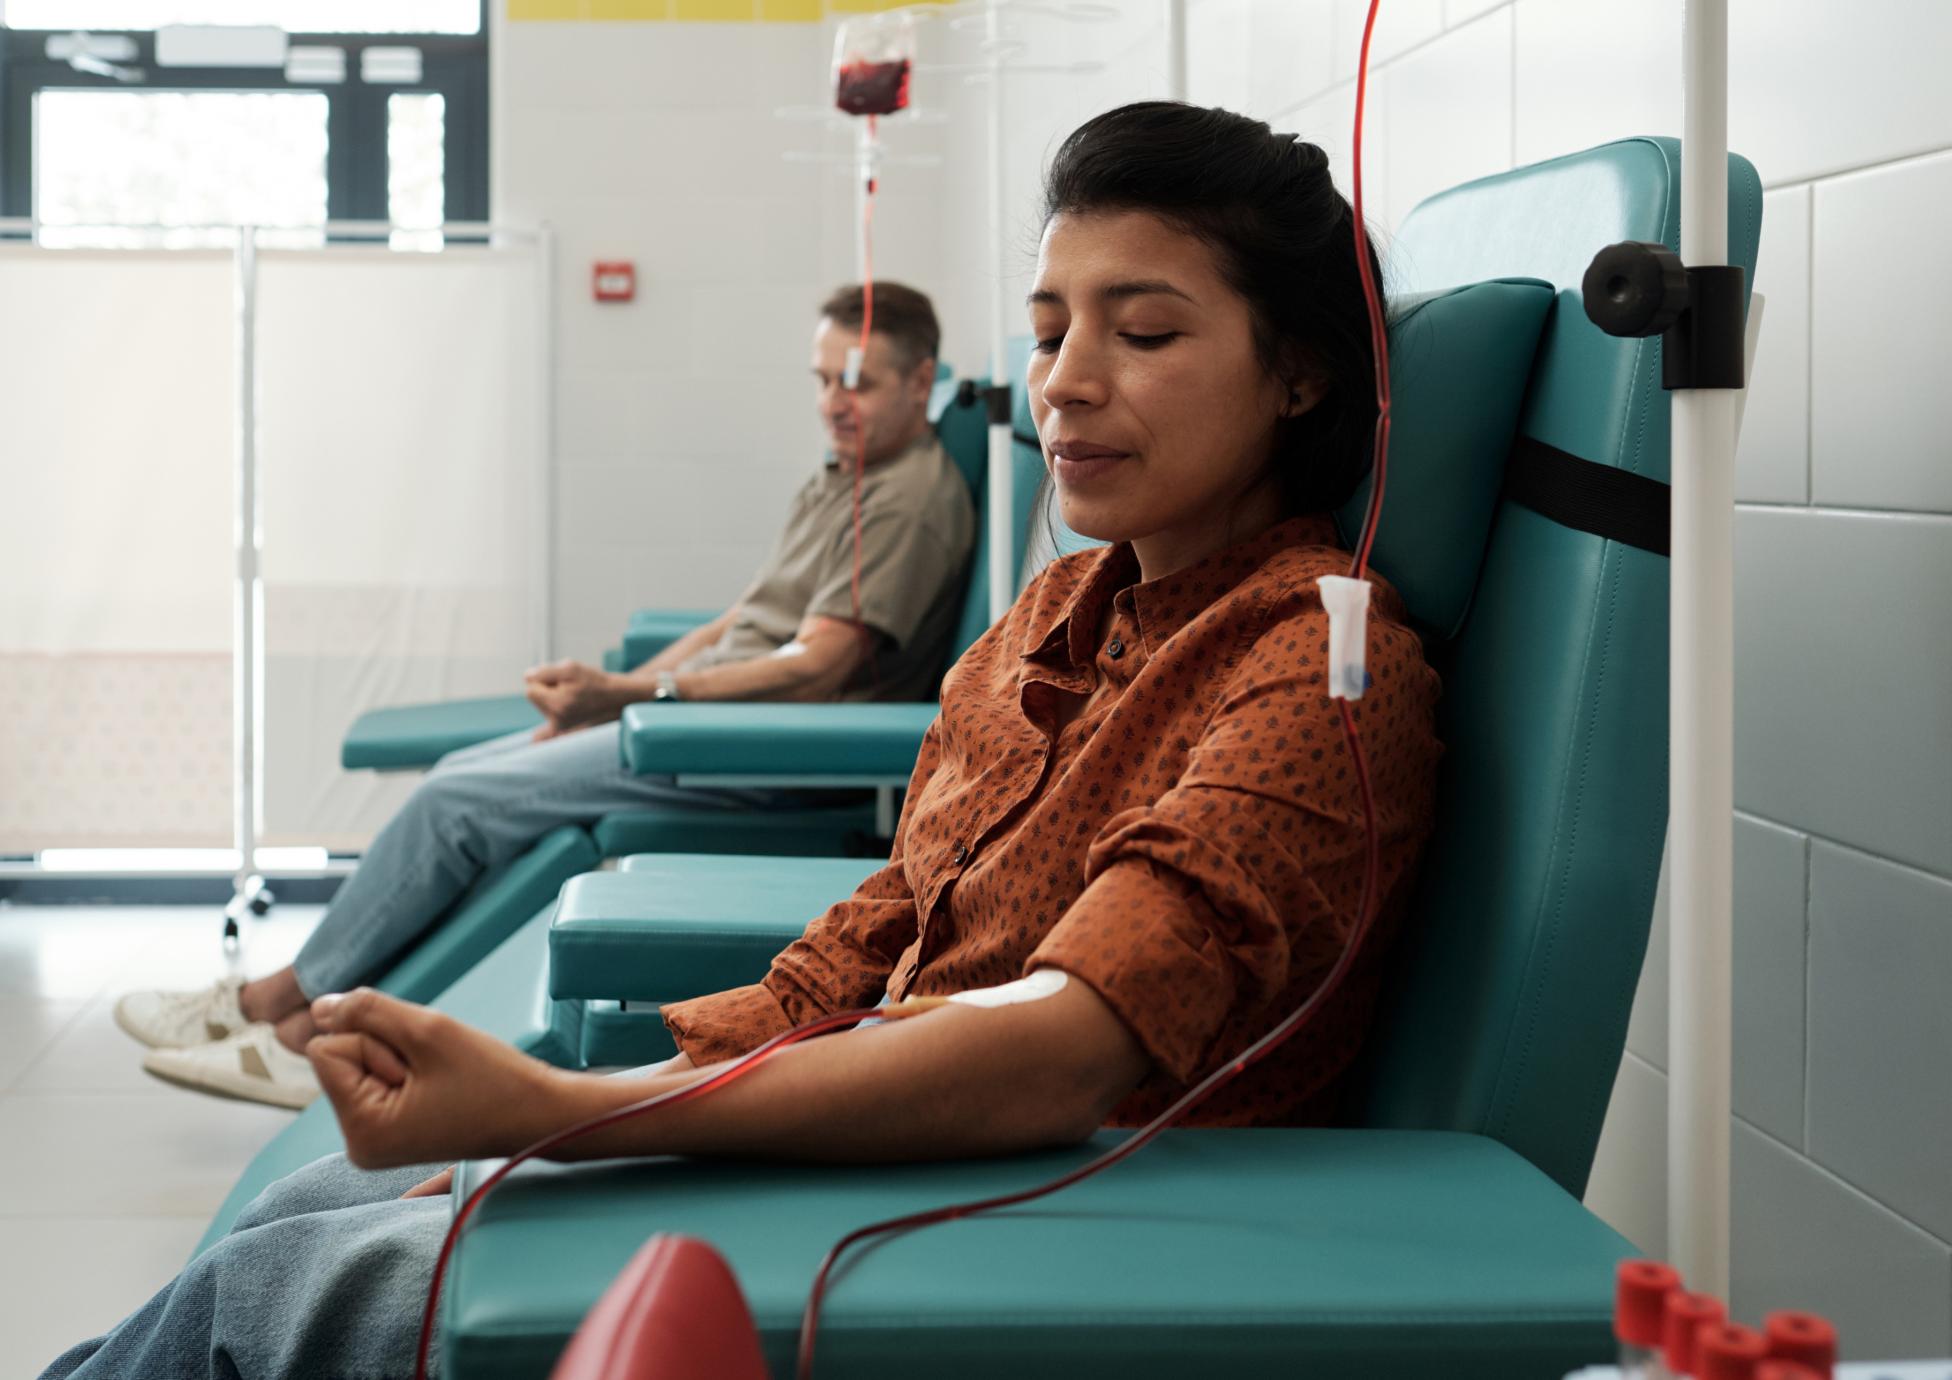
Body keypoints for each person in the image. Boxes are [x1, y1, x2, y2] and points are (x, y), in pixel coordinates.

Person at [41, 101, 1443, 1380]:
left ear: (1301, 377)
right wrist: (608, 1097)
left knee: (292, 1290)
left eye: (1141, 334)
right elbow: (890, 921)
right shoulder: (1059, 616)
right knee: (306, 1205)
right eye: (1052, 327)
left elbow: (1064, 1050)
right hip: (891, 1141)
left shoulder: (1320, 668)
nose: (1064, 383)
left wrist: (559, 1116)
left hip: (1061, 1210)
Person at [112, 281, 976, 1110]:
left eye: (856, 381)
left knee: (456, 804)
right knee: (461, 778)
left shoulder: (906, 504)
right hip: (694, 723)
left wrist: (634, 700)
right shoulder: (846, 475)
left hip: (756, 753)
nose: (833, 399)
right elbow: (743, 619)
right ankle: (310, 1024)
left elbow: (814, 668)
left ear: (921, 382)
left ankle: (275, 1008)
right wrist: (624, 695)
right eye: (823, 379)